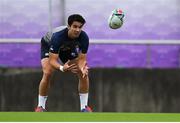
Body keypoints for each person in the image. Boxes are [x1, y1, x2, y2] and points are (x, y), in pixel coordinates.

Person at [35, 14, 92, 112]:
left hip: (67, 48)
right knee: (48, 72)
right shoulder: (58, 36)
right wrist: (62, 68)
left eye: (80, 27)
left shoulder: (84, 37)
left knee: (83, 74)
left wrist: (83, 68)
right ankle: (40, 107)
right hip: (48, 45)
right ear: (69, 26)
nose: (77, 30)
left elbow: (82, 59)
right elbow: (52, 60)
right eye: (75, 26)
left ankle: (84, 108)